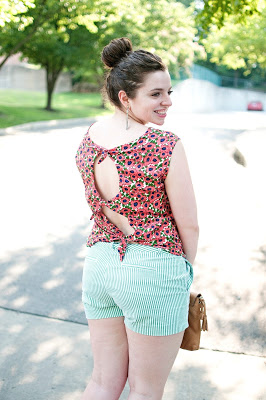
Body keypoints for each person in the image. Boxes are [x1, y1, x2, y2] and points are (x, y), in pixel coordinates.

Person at [75, 37, 199, 400]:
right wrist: (184, 273)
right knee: (145, 391)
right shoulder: (164, 144)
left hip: (99, 264)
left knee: (102, 382)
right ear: (125, 97)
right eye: (156, 94)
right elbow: (189, 224)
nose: (167, 102)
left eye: (169, 92)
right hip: (153, 271)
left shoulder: (89, 139)